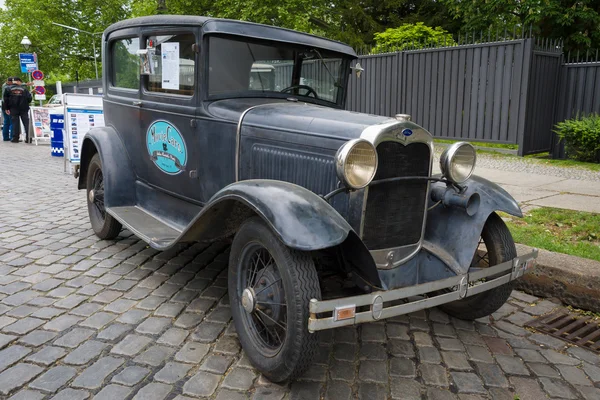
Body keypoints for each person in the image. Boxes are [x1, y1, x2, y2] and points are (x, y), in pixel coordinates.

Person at [3, 77, 32, 143]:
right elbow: (29, 98)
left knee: (15, 123)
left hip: (13, 108)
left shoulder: (8, 89)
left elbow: (6, 100)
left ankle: (15, 138)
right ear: (19, 81)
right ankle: (28, 138)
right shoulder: (24, 89)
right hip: (24, 108)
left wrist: (7, 108)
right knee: (26, 123)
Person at [1, 77, 13, 141]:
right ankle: (12, 137)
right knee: (11, 121)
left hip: (4, 105)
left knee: (6, 122)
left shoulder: (4, 85)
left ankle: (5, 137)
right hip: (7, 105)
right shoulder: (7, 87)